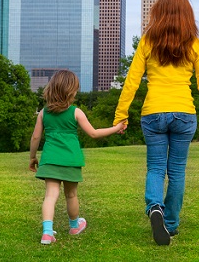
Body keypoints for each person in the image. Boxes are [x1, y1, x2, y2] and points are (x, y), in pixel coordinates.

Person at [113, 0, 199, 245]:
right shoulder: (194, 44)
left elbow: (131, 82)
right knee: (177, 171)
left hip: (153, 113)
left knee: (155, 168)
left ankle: (155, 207)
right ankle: (171, 224)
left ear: (158, 13)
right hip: (184, 113)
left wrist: (121, 115)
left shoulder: (148, 41)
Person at [29, 69, 126, 245]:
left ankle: (47, 233)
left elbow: (35, 137)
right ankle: (74, 226)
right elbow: (94, 133)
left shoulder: (44, 113)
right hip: (71, 160)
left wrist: (32, 157)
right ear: (71, 91)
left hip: (50, 159)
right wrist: (116, 128)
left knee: (50, 195)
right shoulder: (76, 112)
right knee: (71, 195)